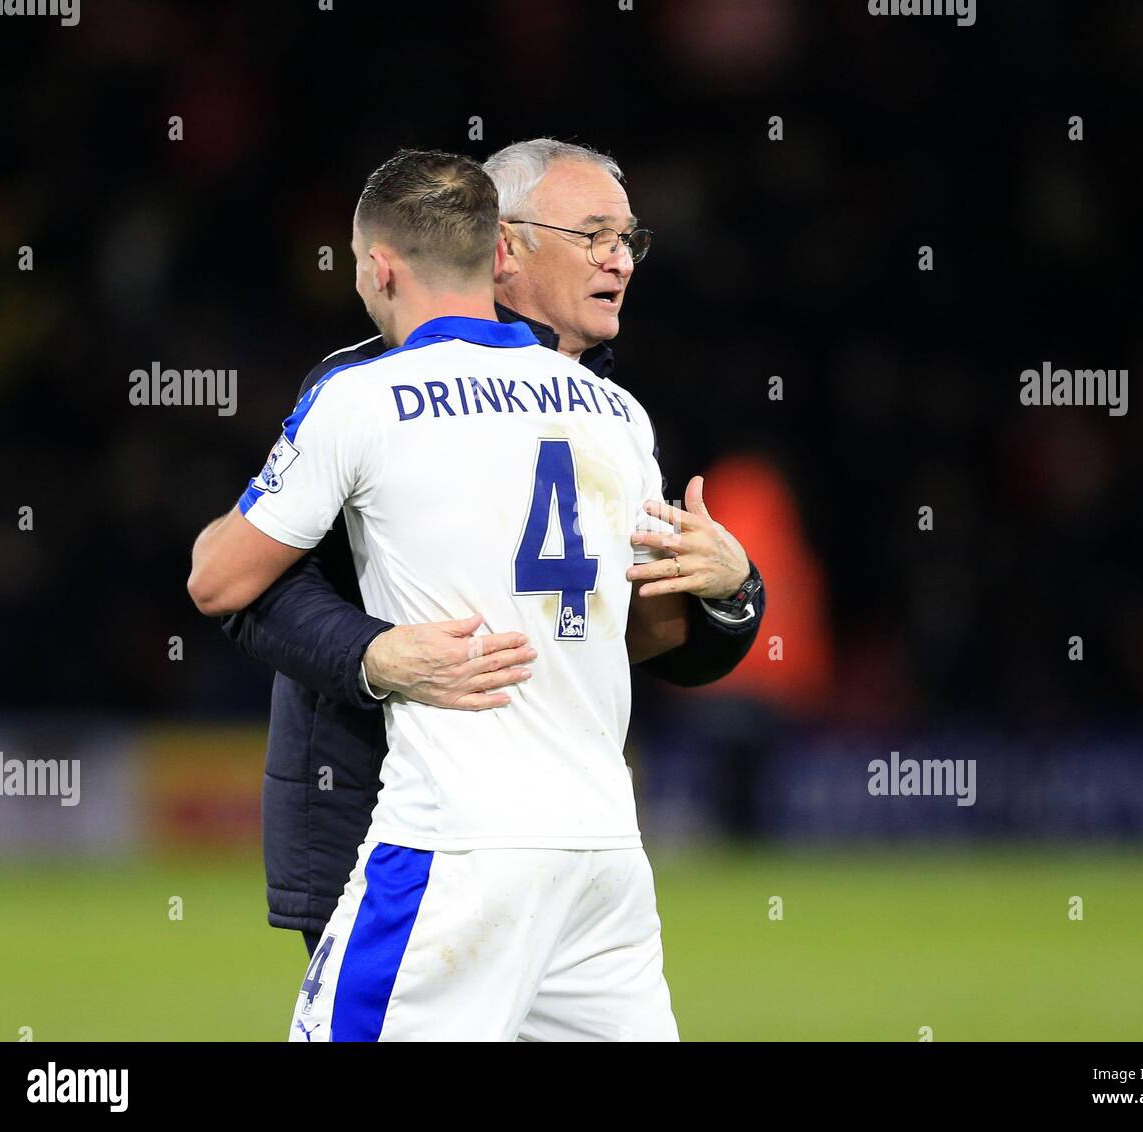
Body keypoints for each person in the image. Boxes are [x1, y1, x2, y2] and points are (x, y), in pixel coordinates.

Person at [220, 140, 766, 959]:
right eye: (594, 234)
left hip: (573, 842)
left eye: (630, 240)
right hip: (392, 824)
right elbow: (253, 590)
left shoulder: (613, 412)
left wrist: (731, 589)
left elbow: (642, 637)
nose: (621, 259)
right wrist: (377, 654)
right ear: (502, 246)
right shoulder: (378, 385)